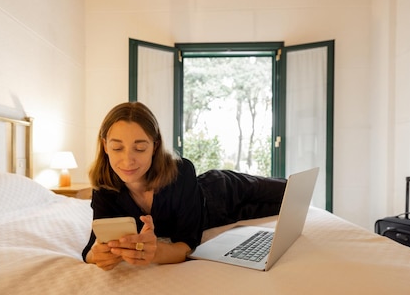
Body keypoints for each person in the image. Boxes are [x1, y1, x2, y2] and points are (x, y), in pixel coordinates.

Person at [82, 101, 287, 271]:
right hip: (219, 218)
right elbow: (91, 250)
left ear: (154, 146)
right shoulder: (104, 188)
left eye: (140, 148)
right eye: (117, 147)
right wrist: (98, 255)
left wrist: (157, 251)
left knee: (288, 190)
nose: (127, 161)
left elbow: (185, 246)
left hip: (221, 192)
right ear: (104, 146)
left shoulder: (180, 171)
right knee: (283, 209)